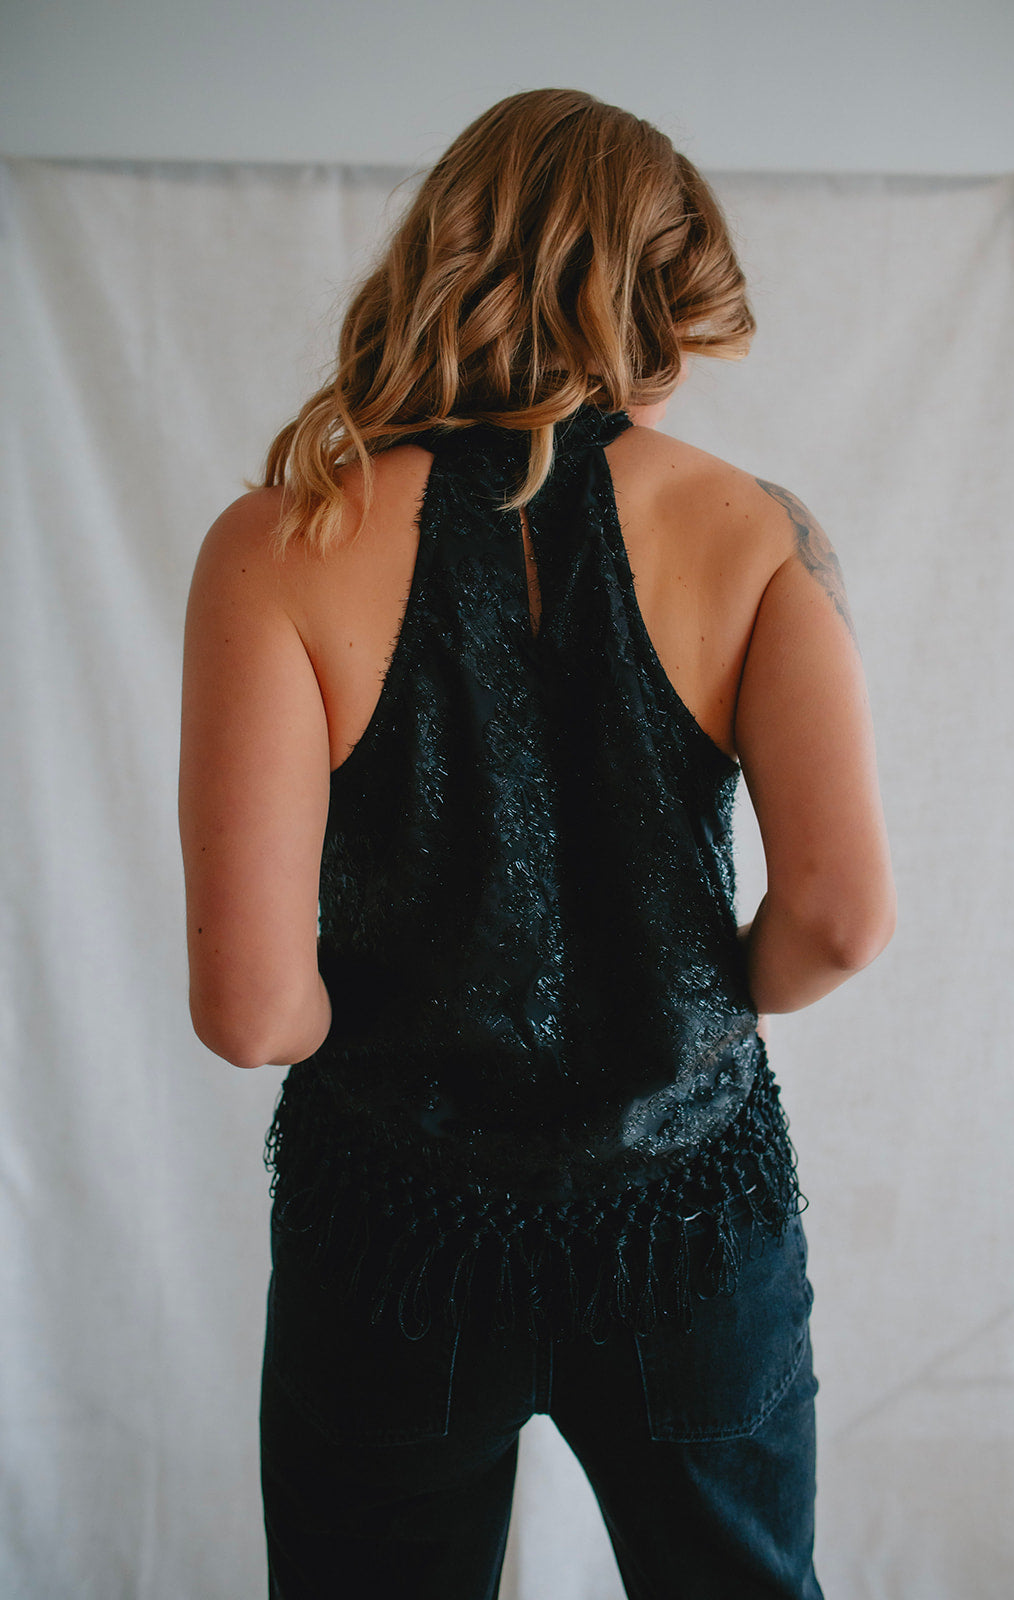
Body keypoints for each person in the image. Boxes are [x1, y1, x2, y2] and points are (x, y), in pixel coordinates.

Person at [179, 87, 895, 1600]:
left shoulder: (281, 541)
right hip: (689, 1218)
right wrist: (695, 1000)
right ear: (661, 306)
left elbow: (251, 1014)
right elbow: (841, 920)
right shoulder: (759, 534)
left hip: (391, 1235)